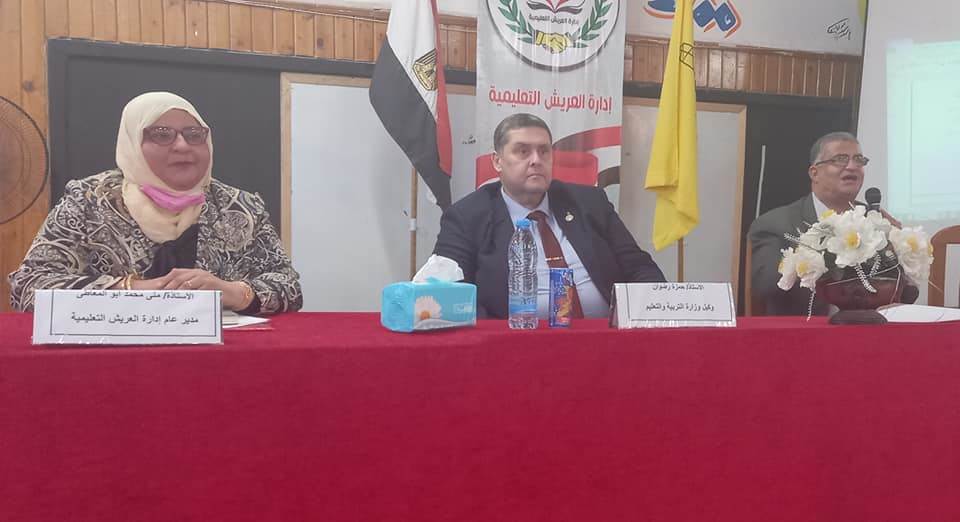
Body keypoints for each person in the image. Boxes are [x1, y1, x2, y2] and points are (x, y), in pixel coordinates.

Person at [9, 92, 302, 314]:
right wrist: (133, 289)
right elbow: (29, 286)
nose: (182, 145)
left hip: (221, 357)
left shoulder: (240, 206)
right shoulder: (88, 200)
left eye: (194, 135)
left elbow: (289, 286)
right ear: (132, 143)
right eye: (161, 135)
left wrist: (234, 293)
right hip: (111, 358)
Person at [432, 113, 665, 319]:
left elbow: (640, 268)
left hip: (605, 338)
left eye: (544, 151)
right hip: (515, 345)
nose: (536, 160)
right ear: (497, 161)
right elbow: (449, 293)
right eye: (523, 151)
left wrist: (648, 317)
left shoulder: (589, 202)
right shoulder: (467, 216)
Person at [748, 131, 906, 315]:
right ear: (814, 173)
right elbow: (765, 285)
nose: (852, 166)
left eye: (859, 160)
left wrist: (899, 250)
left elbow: (907, 293)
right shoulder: (775, 224)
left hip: (867, 326)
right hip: (804, 329)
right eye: (840, 159)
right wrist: (826, 254)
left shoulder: (875, 221)